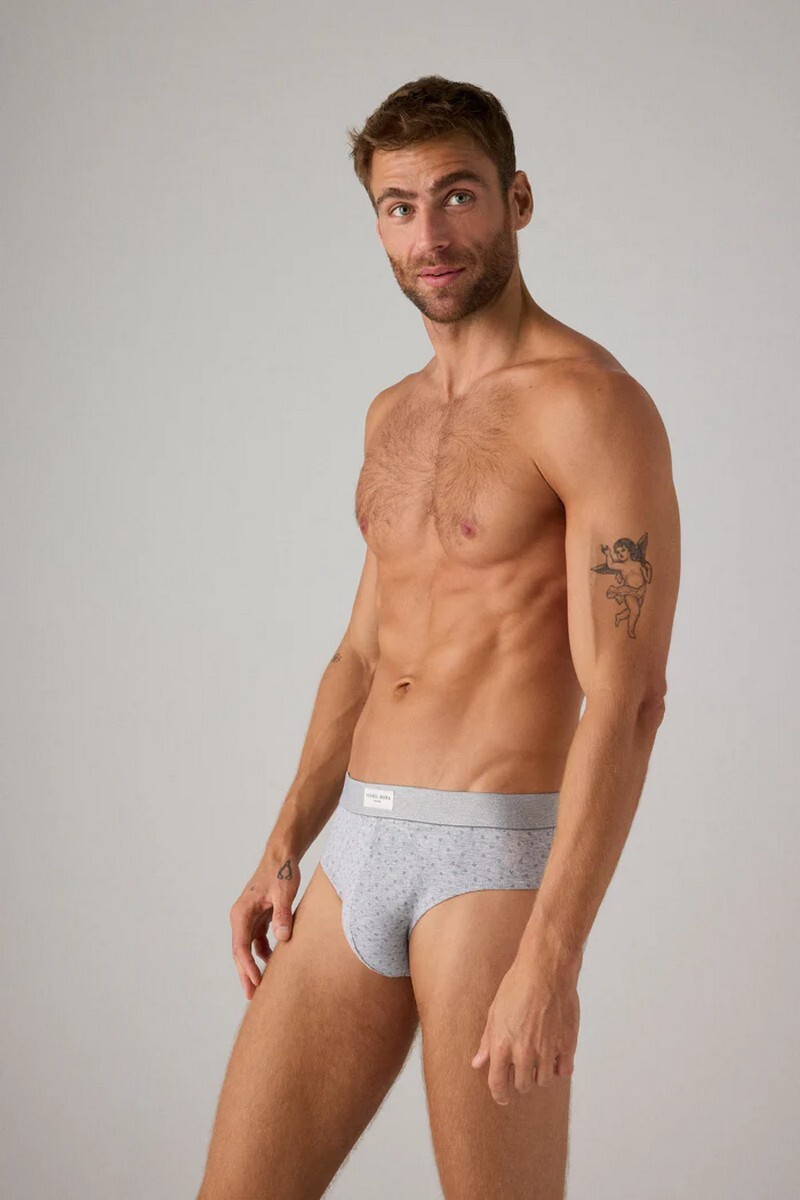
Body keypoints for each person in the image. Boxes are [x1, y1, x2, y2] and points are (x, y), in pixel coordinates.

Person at [195, 74, 681, 1200]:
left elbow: (629, 699)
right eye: (399, 206)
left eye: (458, 195)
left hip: (490, 868)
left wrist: (552, 955)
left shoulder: (590, 404)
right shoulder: (393, 415)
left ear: (517, 199)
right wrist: (283, 846)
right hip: (356, 851)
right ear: (376, 223)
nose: (431, 235)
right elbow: (362, 654)